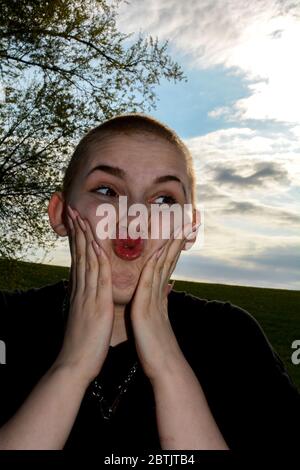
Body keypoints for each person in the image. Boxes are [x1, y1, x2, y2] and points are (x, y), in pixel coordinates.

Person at [0, 113, 299, 451]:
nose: (133, 217)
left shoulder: (232, 336)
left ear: (190, 227)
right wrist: (72, 367)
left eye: (163, 200)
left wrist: (168, 364)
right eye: (107, 190)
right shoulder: (7, 322)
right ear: (59, 213)